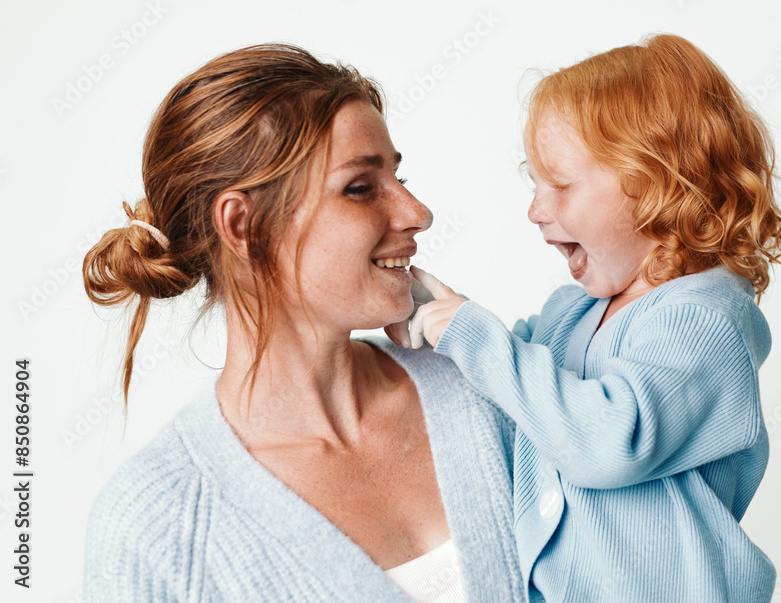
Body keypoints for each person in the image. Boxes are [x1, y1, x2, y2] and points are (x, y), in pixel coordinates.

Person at [80, 43, 524, 603]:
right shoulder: (157, 528)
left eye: (399, 177)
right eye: (360, 188)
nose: (417, 213)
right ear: (244, 227)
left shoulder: (488, 384)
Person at [396, 34, 781, 602]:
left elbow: (607, 443)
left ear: (658, 186)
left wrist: (469, 332)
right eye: (534, 183)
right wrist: (423, 310)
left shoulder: (704, 321)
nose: (534, 209)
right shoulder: (570, 313)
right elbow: (499, 389)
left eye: (560, 185)